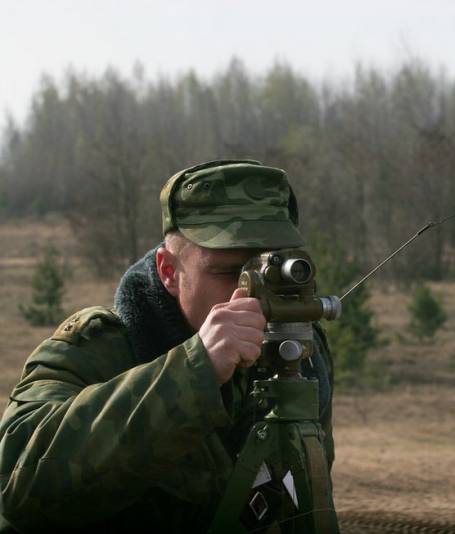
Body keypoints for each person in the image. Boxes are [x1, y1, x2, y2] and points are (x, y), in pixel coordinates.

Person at [0, 160, 334, 532]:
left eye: (272, 270)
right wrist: (193, 372)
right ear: (169, 272)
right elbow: (17, 486)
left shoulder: (300, 356)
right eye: (228, 273)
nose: (253, 296)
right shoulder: (96, 350)